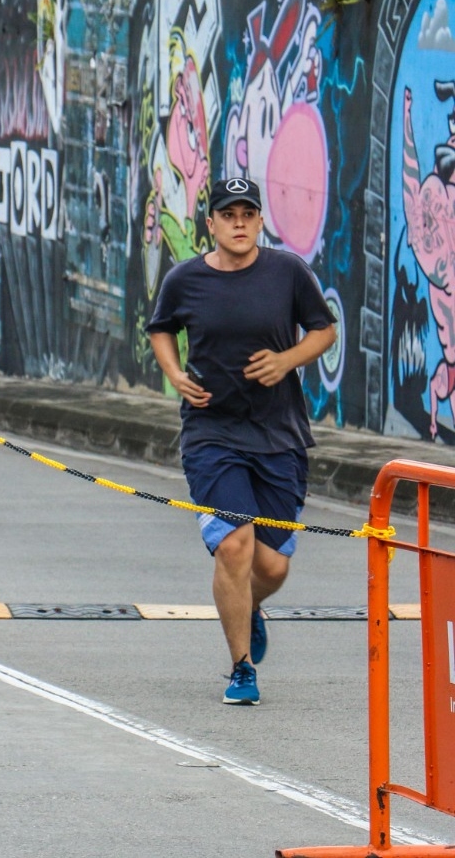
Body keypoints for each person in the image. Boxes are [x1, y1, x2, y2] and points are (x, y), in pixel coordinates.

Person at [146, 178, 337, 706]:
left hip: (278, 433)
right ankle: (241, 668)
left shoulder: (287, 273)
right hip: (213, 431)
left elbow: (324, 330)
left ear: (258, 221)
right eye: (227, 214)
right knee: (235, 544)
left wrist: (286, 361)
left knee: (272, 565)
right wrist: (174, 372)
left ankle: (248, 606)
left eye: (247, 214)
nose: (238, 222)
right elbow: (160, 327)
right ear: (211, 224)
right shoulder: (184, 279)